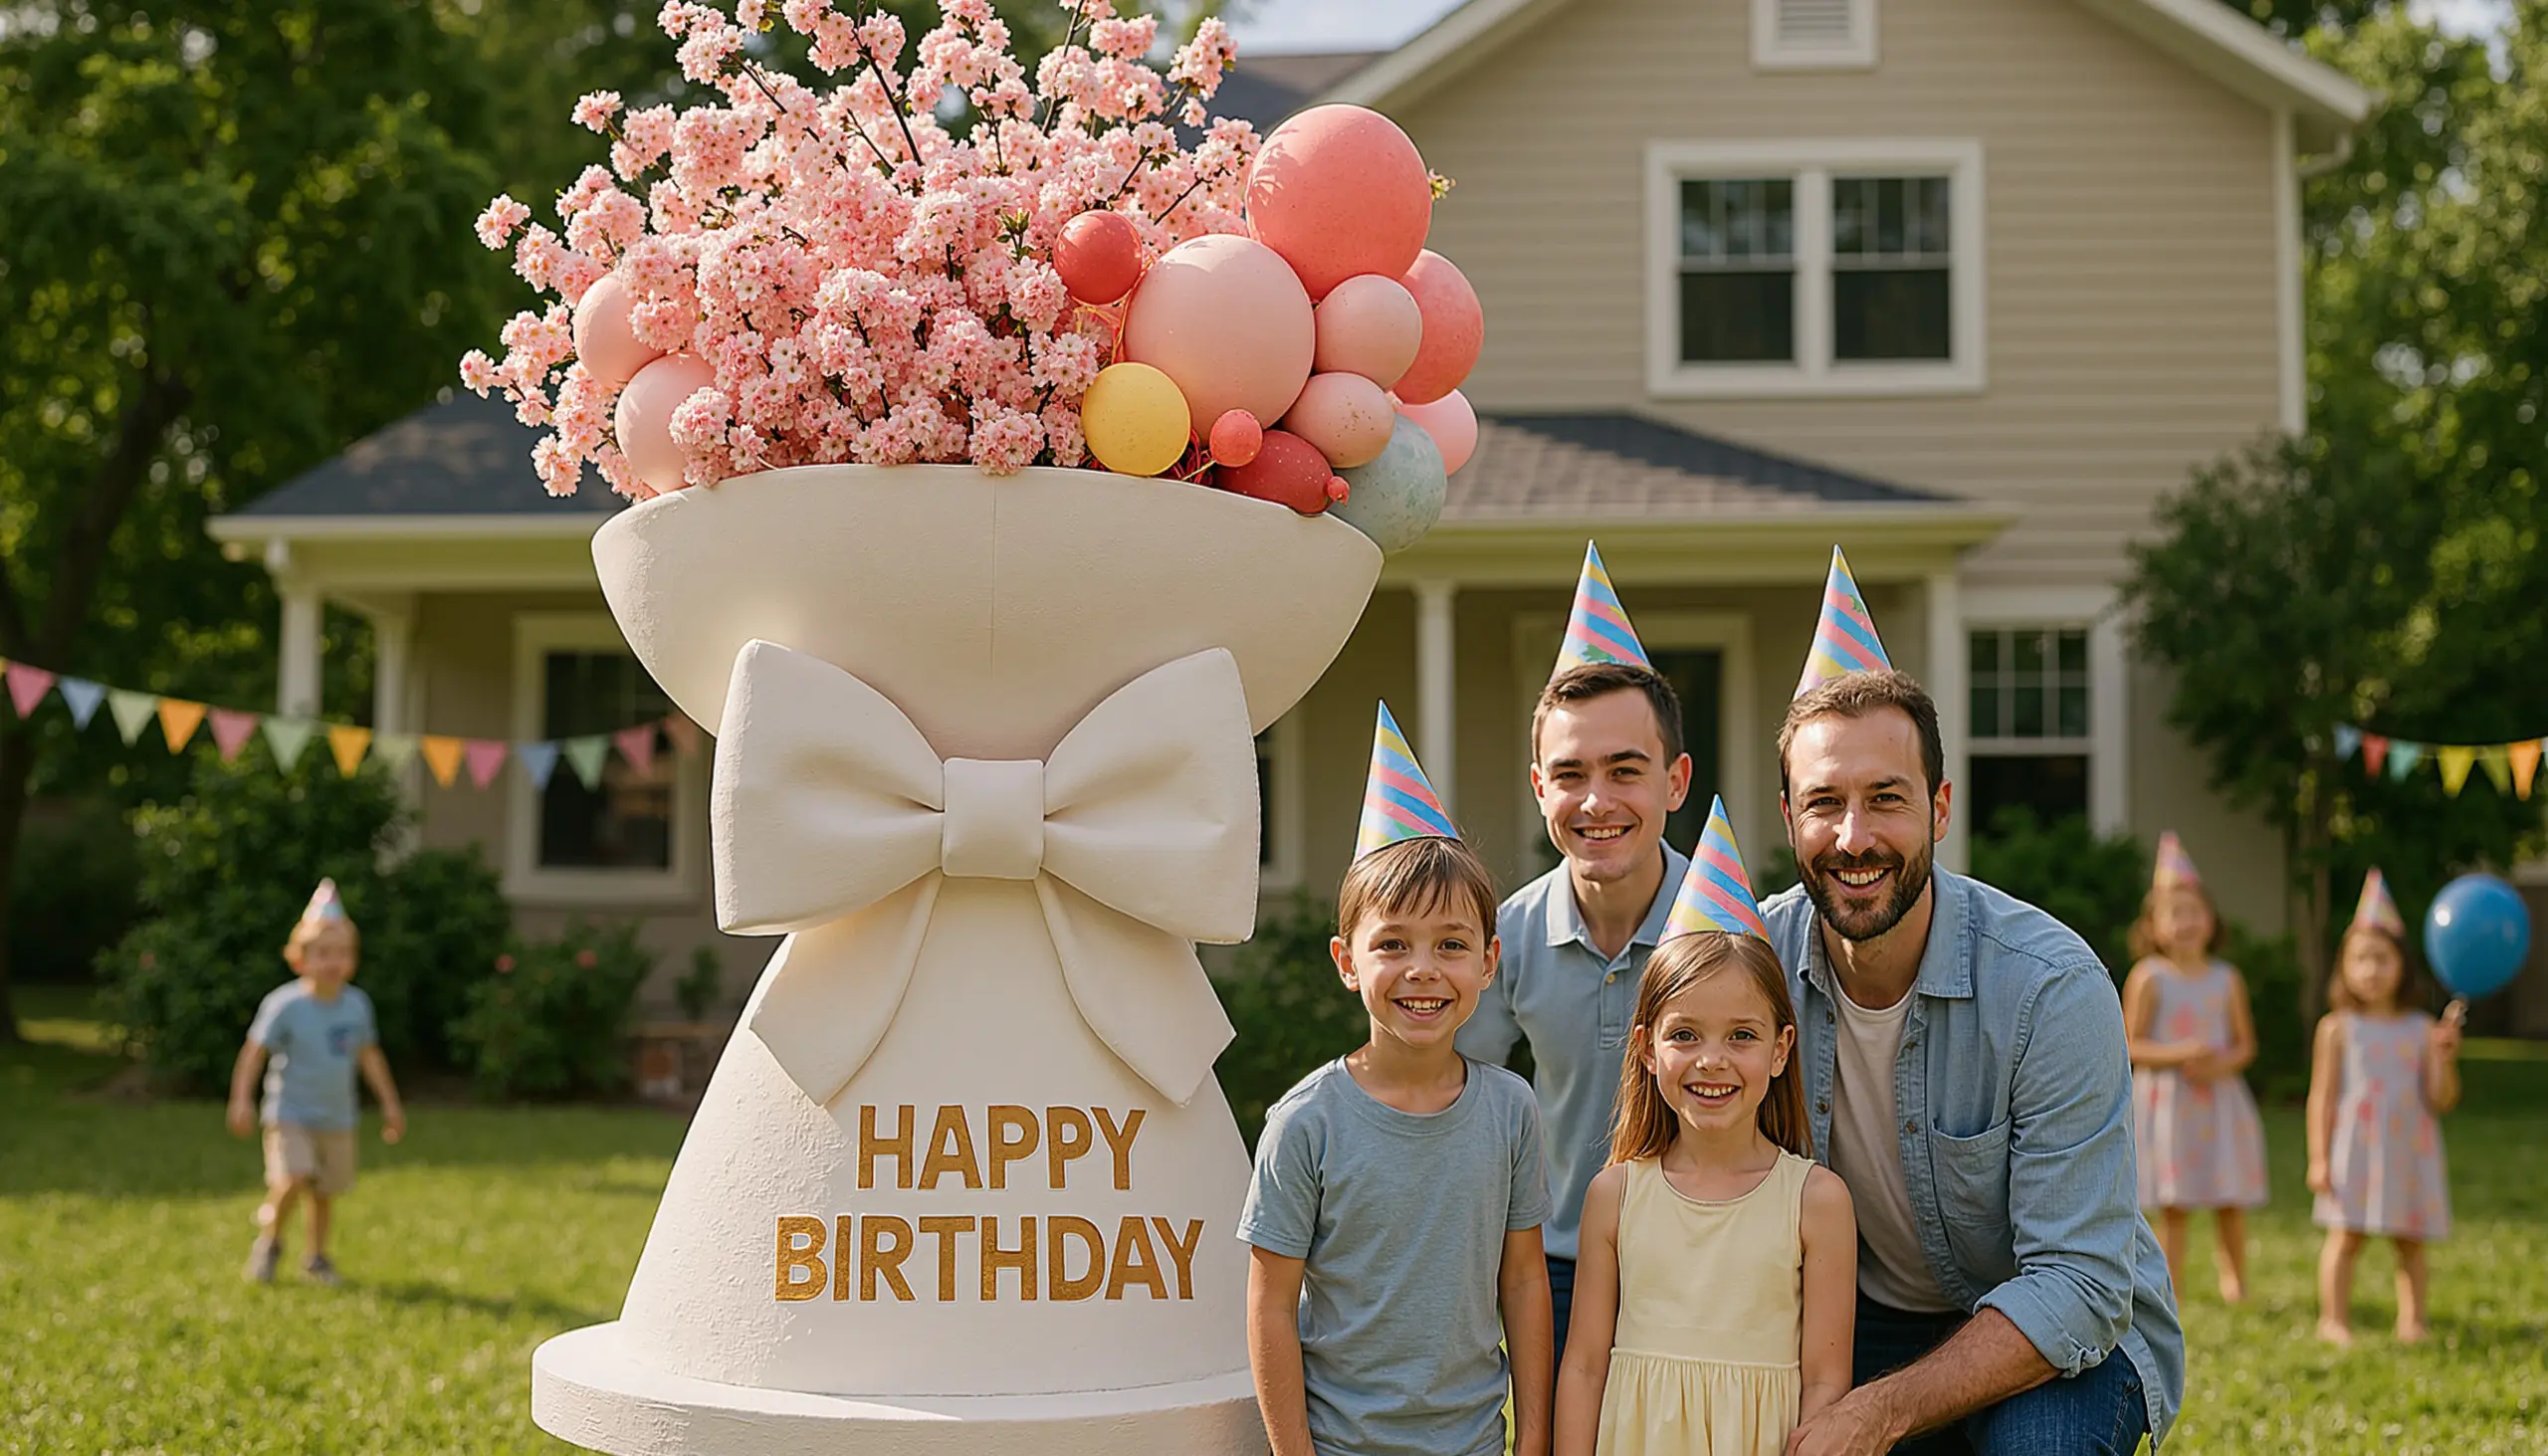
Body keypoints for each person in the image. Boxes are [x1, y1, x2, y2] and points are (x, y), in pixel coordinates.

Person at [1769, 548, 2182, 1456]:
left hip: (2060, 1333)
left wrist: (1879, 1414)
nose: (1854, 836)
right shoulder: (1752, 967)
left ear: (1941, 806)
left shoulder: (2048, 986)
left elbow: (2077, 1279)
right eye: (1824, 802)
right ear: (1788, 815)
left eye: (1887, 799)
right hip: (1854, 1326)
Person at [1242, 704, 1557, 1456]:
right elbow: (1270, 1303)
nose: (1423, 968)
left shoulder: (1511, 1109)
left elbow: (1522, 1281)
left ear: (1488, 961)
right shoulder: (1306, 1122)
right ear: (1348, 962)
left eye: (1451, 943)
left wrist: (1535, 1438)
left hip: (1476, 1442)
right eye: (1393, 943)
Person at [1555, 797, 1855, 1456]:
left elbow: (1826, 1380)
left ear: (1780, 1050)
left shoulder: (1816, 1201)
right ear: (1645, 1046)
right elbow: (1583, 1364)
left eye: (1741, 1035)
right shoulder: (1615, 1195)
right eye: (1685, 1034)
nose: (1711, 1059)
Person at [1459, 542, 1691, 1359]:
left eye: (1625, 770)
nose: (1596, 801)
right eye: (1570, 774)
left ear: (1676, 781)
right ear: (1538, 788)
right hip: (1554, 1264)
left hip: (1705, 1259)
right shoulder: (1507, 938)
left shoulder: (1728, 932)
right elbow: (1459, 1100)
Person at [2308, 868, 2461, 1347]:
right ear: (2344, 968)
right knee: (2346, 1238)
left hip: (2406, 1153)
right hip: (2355, 1150)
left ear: (2402, 967)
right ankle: (2332, 1318)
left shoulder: (2421, 1030)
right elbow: (2323, 1096)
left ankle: (2412, 1320)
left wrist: (2443, 1057)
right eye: (2361, 959)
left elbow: (2442, 1099)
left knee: (2409, 1243)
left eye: (2383, 959)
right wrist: (2318, 1157)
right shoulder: (2336, 1028)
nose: (2372, 970)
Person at [226, 879, 406, 1286]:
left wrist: (391, 1104)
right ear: (299, 958)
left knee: (324, 1192)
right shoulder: (284, 1005)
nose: (333, 961)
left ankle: (317, 1258)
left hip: (338, 1117)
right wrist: (241, 1099)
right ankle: (269, 1242)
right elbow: (254, 1052)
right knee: (293, 1176)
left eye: (342, 953)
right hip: (289, 1112)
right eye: (323, 952)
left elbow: (369, 1055)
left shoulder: (357, 1005)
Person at [2121, 832, 2268, 1303]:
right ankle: (2171, 1288)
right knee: (2174, 1205)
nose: (2186, 922)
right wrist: (2182, 1053)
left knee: (2229, 1200)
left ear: (2211, 919)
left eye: (2195, 911)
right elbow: (2128, 1046)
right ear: (2155, 924)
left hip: (2219, 1104)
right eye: (2174, 913)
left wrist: (2219, 1064)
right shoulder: (2149, 977)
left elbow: (2245, 1046)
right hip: (2169, 1109)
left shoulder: (2227, 979)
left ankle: (2237, 1285)